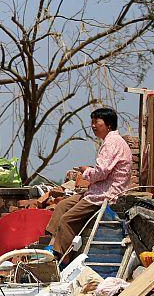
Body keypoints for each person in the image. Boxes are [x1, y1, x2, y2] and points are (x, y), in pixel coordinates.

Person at [46, 107, 132, 261]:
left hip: (105, 194)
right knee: (62, 206)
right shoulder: (111, 141)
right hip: (96, 190)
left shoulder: (112, 143)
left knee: (67, 220)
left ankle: (61, 260)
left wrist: (86, 171)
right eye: (91, 122)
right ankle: (49, 244)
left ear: (108, 125)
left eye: (96, 122)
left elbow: (100, 172)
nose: (92, 126)